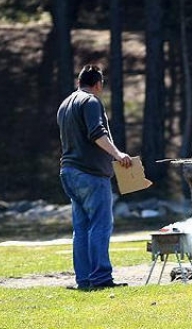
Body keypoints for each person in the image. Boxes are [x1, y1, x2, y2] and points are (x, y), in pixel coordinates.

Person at [57, 64, 132, 291]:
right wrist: (118, 154)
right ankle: (101, 278)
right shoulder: (90, 102)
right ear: (98, 83)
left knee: (81, 229)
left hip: (69, 172)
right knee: (100, 225)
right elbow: (96, 133)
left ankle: (84, 279)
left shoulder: (65, 104)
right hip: (90, 173)